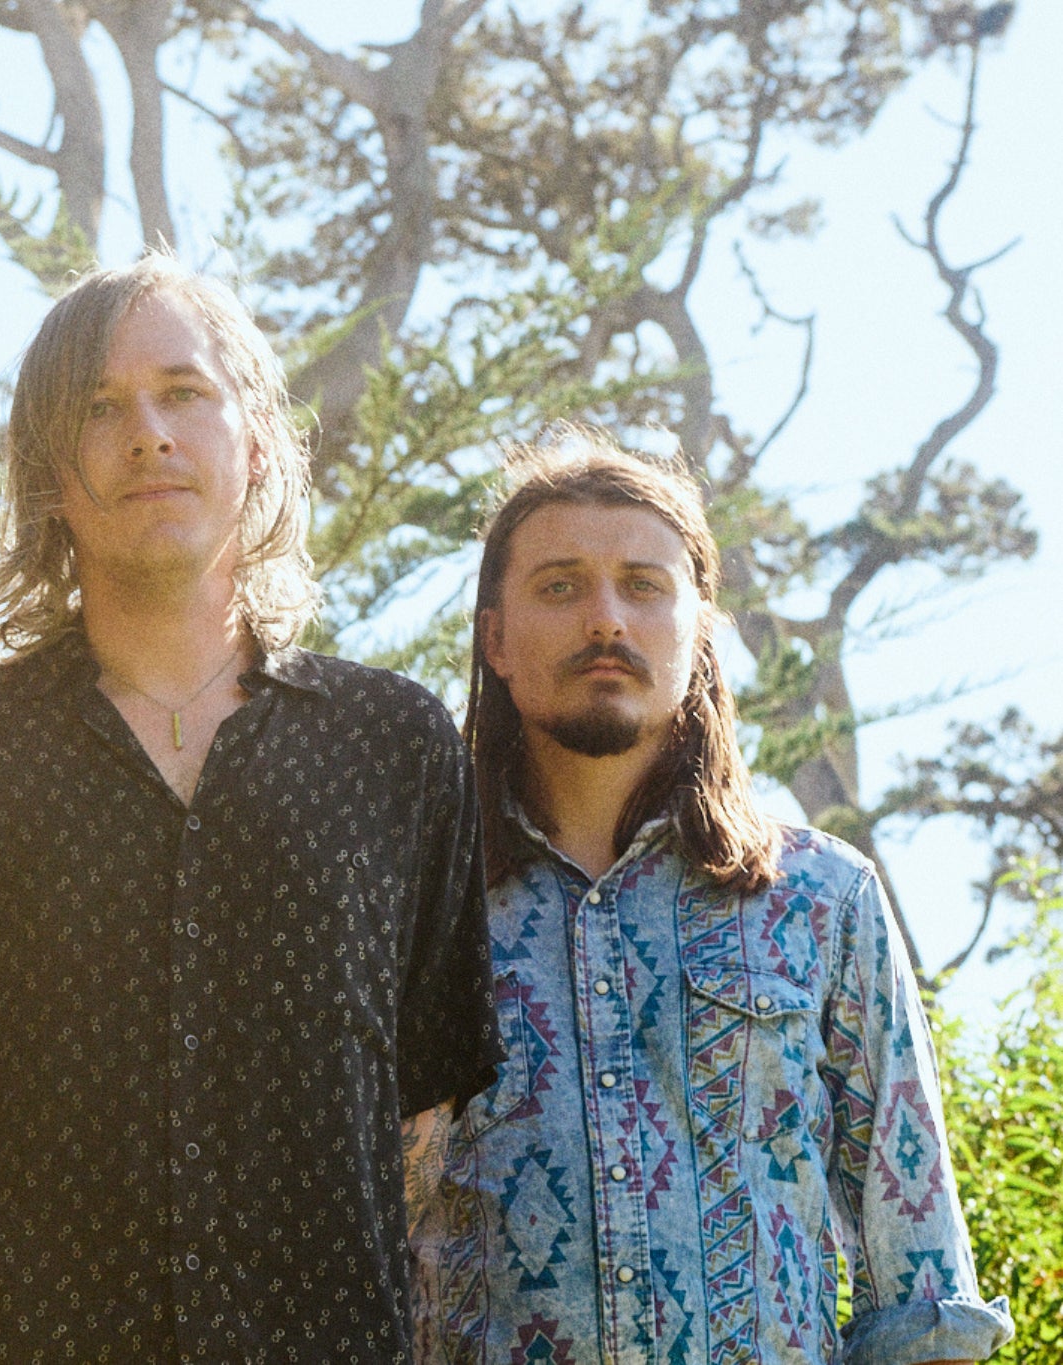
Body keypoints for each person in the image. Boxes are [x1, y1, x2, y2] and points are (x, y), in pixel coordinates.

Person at [0, 255, 500, 1362]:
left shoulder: (392, 744)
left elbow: (423, 1132)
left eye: (182, 393)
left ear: (255, 441)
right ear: (49, 478)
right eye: (98, 409)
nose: (147, 433)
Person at [408, 435, 1014, 1364]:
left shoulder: (824, 898)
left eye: (644, 585)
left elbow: (924, 1292)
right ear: (495, 637)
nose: (605, 618)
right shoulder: (411, 909)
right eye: (561, 585)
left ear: (698, 630)